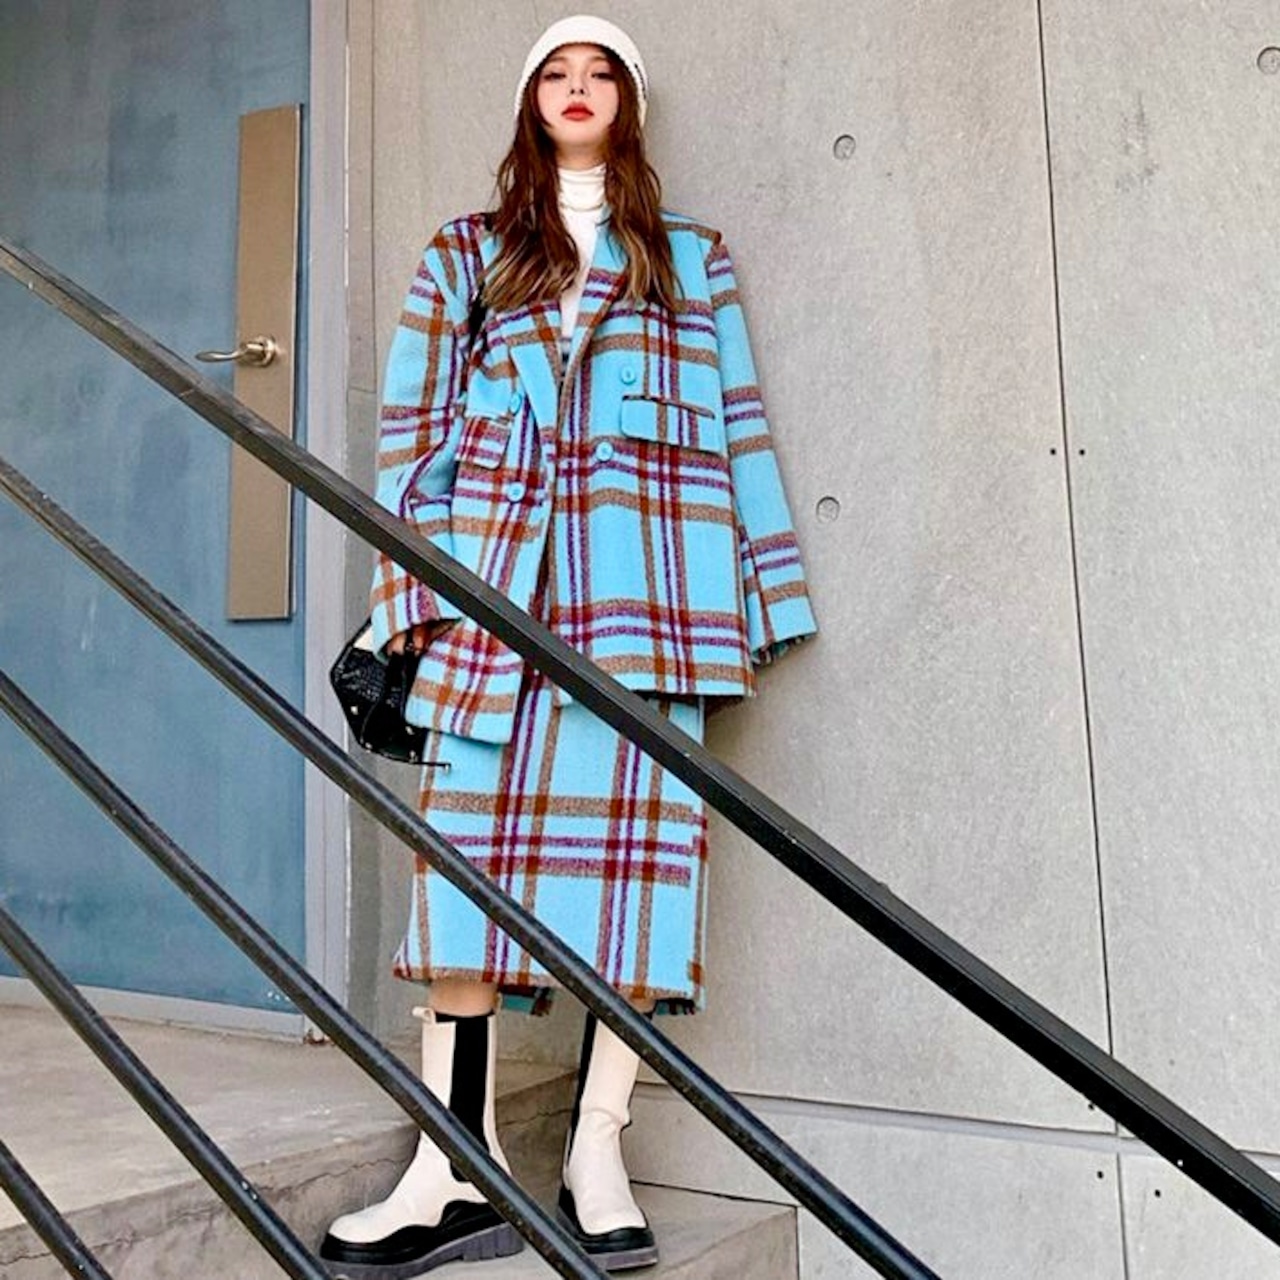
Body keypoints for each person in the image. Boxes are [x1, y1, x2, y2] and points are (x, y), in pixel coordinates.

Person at [320, 13, 816, 1277]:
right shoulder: (465, 252)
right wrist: (410, 599)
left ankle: (597, 1150)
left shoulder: (690, 258)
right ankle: (452, 1167)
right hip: (495, 598)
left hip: (651, 600)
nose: (579, 87)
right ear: (530, 100)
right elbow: (410, 440)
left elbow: (738, 424)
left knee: (636, 895)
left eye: (601, 72)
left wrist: (762, 595)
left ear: (627, 103)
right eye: (557, 70)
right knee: (462, 884)